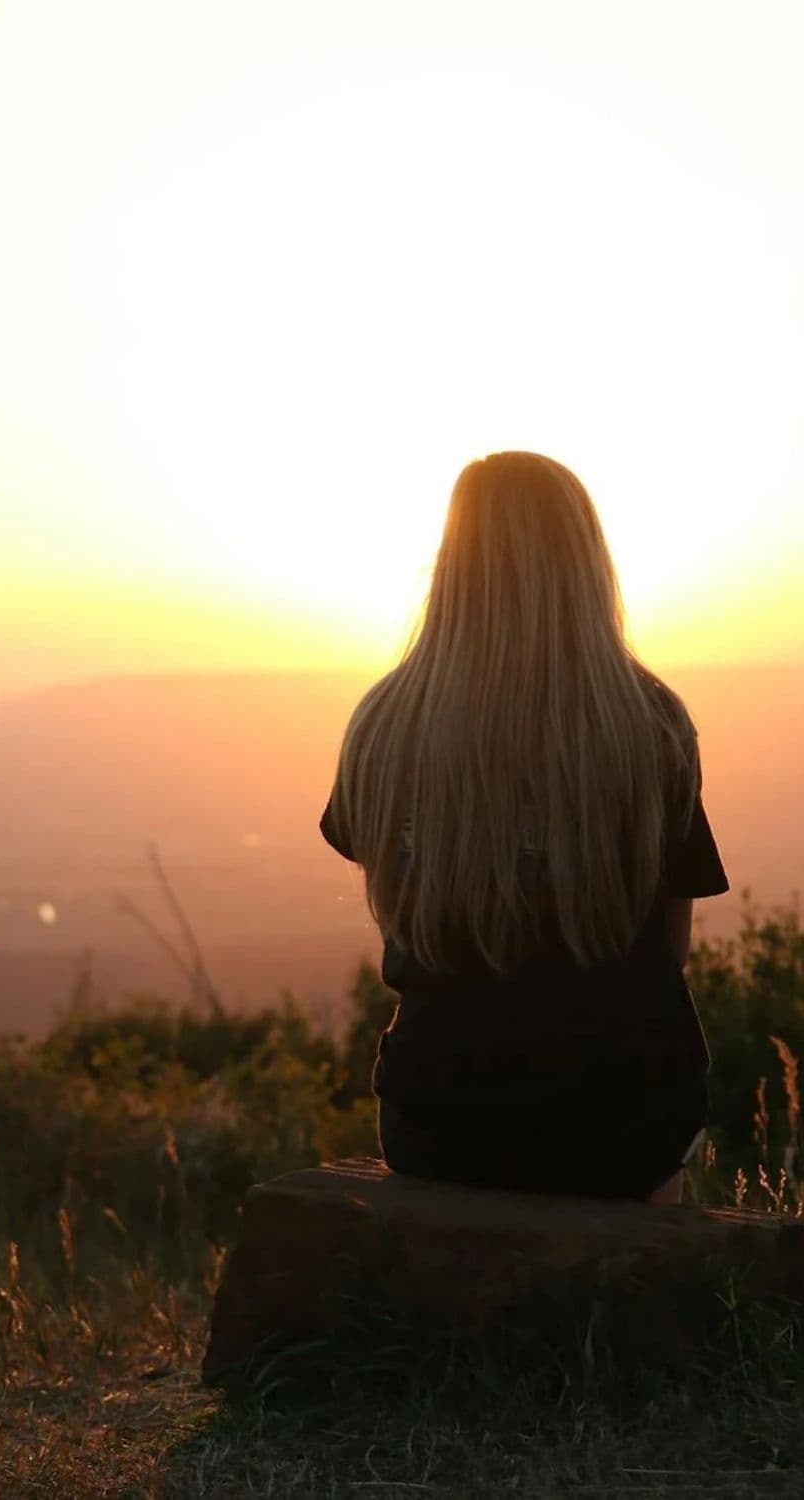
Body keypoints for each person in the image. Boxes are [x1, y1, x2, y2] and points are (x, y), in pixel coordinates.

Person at [319, 452, 729, 1205]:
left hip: (438, 1121)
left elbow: (400, 913)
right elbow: (669, 951)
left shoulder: (383, 725)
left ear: (450, 565)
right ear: (586, 566)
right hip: (623, 1124)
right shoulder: (652, 725)